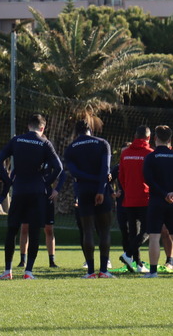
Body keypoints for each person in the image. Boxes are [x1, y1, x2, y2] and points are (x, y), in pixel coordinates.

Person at [0, 113, 62, 280]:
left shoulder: (16, 140)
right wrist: (46, 182)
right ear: (42, 128)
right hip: (37, 192)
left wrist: (8, 180)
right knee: (34, 231)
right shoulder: (44, 143)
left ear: (28, 126)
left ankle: (7, 271)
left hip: (19, 191)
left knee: (12, 230)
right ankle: (28, 272)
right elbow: (58, 167)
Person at [64, 117, 115, 278]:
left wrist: (90, 180)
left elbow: (75, 173)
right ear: (90, 129)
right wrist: (100, 187)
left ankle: (90, 271)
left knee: (87, 231)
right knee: (105, 230)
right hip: (102, 190)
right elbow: (105, 169)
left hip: (84, 190)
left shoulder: (70, 148)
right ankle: (104, 270)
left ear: (76, 132)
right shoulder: (102, 143)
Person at [142, 125, 173, 278]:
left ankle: (153, 272)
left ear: (155, 138)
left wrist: (163, 193)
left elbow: (148, 179)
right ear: (170, 139)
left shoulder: (151, 157)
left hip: (156, 201)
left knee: (154, 237)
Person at [116, 125, 154, 272]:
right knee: (148, 229)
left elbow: (121, 176)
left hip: (129, 198)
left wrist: (128, 190)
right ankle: (128, 254)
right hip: (145, 198)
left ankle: (138, 264)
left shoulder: (125, 154)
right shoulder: (150, 153)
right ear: (148, 138)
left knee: (133, 232)